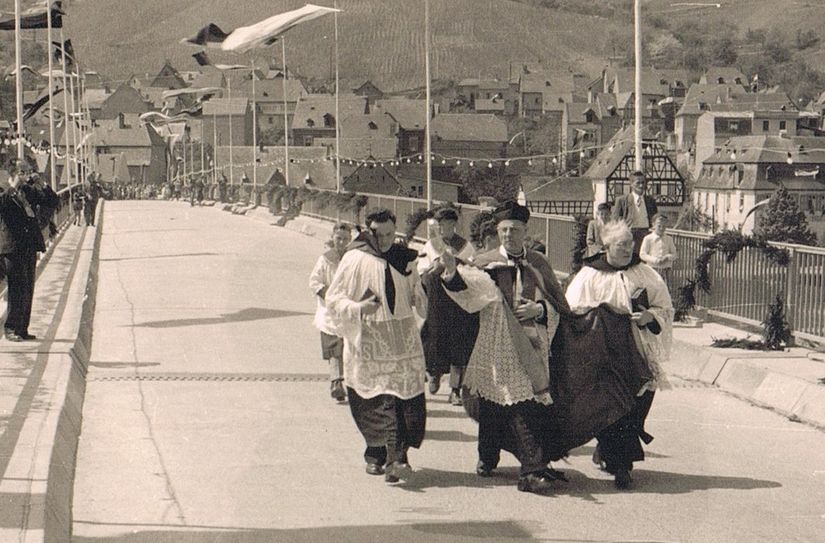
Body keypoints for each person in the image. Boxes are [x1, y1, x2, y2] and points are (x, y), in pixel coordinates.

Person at [439, 201, 570, 494]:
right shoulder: (485, 262)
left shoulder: (538, 263)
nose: (509, 235)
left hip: (533, 343)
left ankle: (489, 456)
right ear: (498, 232)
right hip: (496, 339)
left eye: (515, 230)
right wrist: (450, 275)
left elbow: (557, 303)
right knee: (510, 400)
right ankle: (531, 468)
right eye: (504, 230)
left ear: (526, 231)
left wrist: (539, 309)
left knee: (505, 401)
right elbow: (465, 290)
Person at [565, 221, 673, 489]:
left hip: (637, 349)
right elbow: (572, 310)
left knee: (639, 401)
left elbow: (664, 307)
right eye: (620, 245)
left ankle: (609, 452)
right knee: (611, 405)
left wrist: (650, 316)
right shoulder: (590, 275)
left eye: (629, 243)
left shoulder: (645, 273)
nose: (627, 249)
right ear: (606, 247)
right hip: (602, 352)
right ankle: (622, 464)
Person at [325, 208, 427, 484]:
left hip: (402, 337)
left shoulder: (405, 258)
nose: (384, 240)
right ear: (368, 232)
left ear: (396, 233)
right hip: (369, 337)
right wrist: (359, 308)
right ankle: (375, 455)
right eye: (378, 234)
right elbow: (334, 299)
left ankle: (397, 457)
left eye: (389, 234)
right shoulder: (354, 258)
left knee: (401, 399)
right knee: (375, 399)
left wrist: (420, 291)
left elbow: (417, 296)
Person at [418, 207, 476, 406]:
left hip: (458, 301)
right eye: (439, 225)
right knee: (434, 337)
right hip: (437, 300)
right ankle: (433, 373)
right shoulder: (431, 245)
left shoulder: (466, 246)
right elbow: (421, 273)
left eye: (445, 224)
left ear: (454, 224)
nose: (442, 228)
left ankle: (455, 389)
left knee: (458, 342)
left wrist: (456, 263)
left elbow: (471, 271)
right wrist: (435, 267)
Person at [0, 160, 59, 341]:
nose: (26, 175)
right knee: (16, 287)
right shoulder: (4, 192)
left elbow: (52, 200)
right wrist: (10, 189)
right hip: (12, 246)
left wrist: (42, 184)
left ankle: (22, 328)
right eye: (23, 172)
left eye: (28, 171)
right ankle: (10, 328)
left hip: (28, 244)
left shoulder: (27, 191)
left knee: (28, 288)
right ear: (14, 173)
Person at [309, 223, 353, 402]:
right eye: (338, 238)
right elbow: (314, 281)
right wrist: (326, 294)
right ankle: (336, 382)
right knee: (334, 347)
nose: (341, 242)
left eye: (345, 239)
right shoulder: (325, 259)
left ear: (349, 240)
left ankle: (348, 383)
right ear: (333, 238)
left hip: (348, 309)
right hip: (329, 312)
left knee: (348, 349)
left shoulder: (353, 258)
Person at [612, 171, 658, 254]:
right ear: (631, 184)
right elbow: (615, 220)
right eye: (638, 183)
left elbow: (655, 219)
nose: (641, 185)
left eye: (643, 183)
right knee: (629, 260)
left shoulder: (650, 201)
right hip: (629, 235)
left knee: (645, 261)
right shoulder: (622, 200)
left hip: (646, 234)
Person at [639, 213, 678, 285]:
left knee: (665, 289)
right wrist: (655, 260)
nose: (661, 228)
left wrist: (667, 257)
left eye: (664, 226)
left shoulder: (669, 239)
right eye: (659, 226)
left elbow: (675, 254)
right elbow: (642, 254)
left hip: (665, 270)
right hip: (652, 269)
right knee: (653, 288)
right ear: (653, 225)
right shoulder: (648, 238)